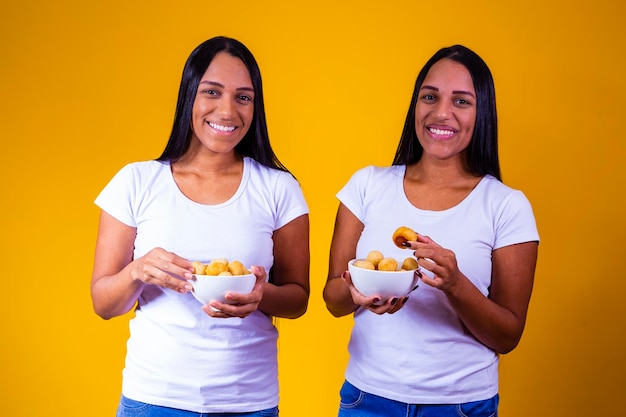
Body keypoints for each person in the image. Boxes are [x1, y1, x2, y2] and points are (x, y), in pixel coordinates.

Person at [91, 36, 310, 417]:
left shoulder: (279, 188)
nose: (227, 110)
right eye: (212, 92)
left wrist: (262, 297)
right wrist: (138, 271)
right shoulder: (136, 181)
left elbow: (298, 298)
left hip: (249, 402)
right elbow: (103, 303)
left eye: (243, 97)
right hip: (154, 400)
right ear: (189, 96)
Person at [322, 44, 539, 416]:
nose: (442, 113)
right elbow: (332, 299)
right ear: (416, 106)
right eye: (430, 97)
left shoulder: (506, 205)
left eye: (461, 102)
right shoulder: (367, 186)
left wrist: (455, 284)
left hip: (460, 406)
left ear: (482, 112)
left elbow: (508, 336)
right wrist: (356, 290)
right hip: (367, 400)